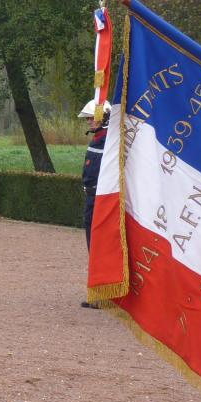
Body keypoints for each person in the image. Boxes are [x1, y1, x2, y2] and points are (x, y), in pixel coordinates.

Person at [79, 100, 109, 309]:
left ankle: (103, 295)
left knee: (101, 246)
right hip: (91, 198)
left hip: (100, 199)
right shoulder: (98, 138)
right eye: (88, 118)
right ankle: (98, 292)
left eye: (92, 117)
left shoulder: (108, 140)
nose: (89, 121)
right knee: (94, 245)